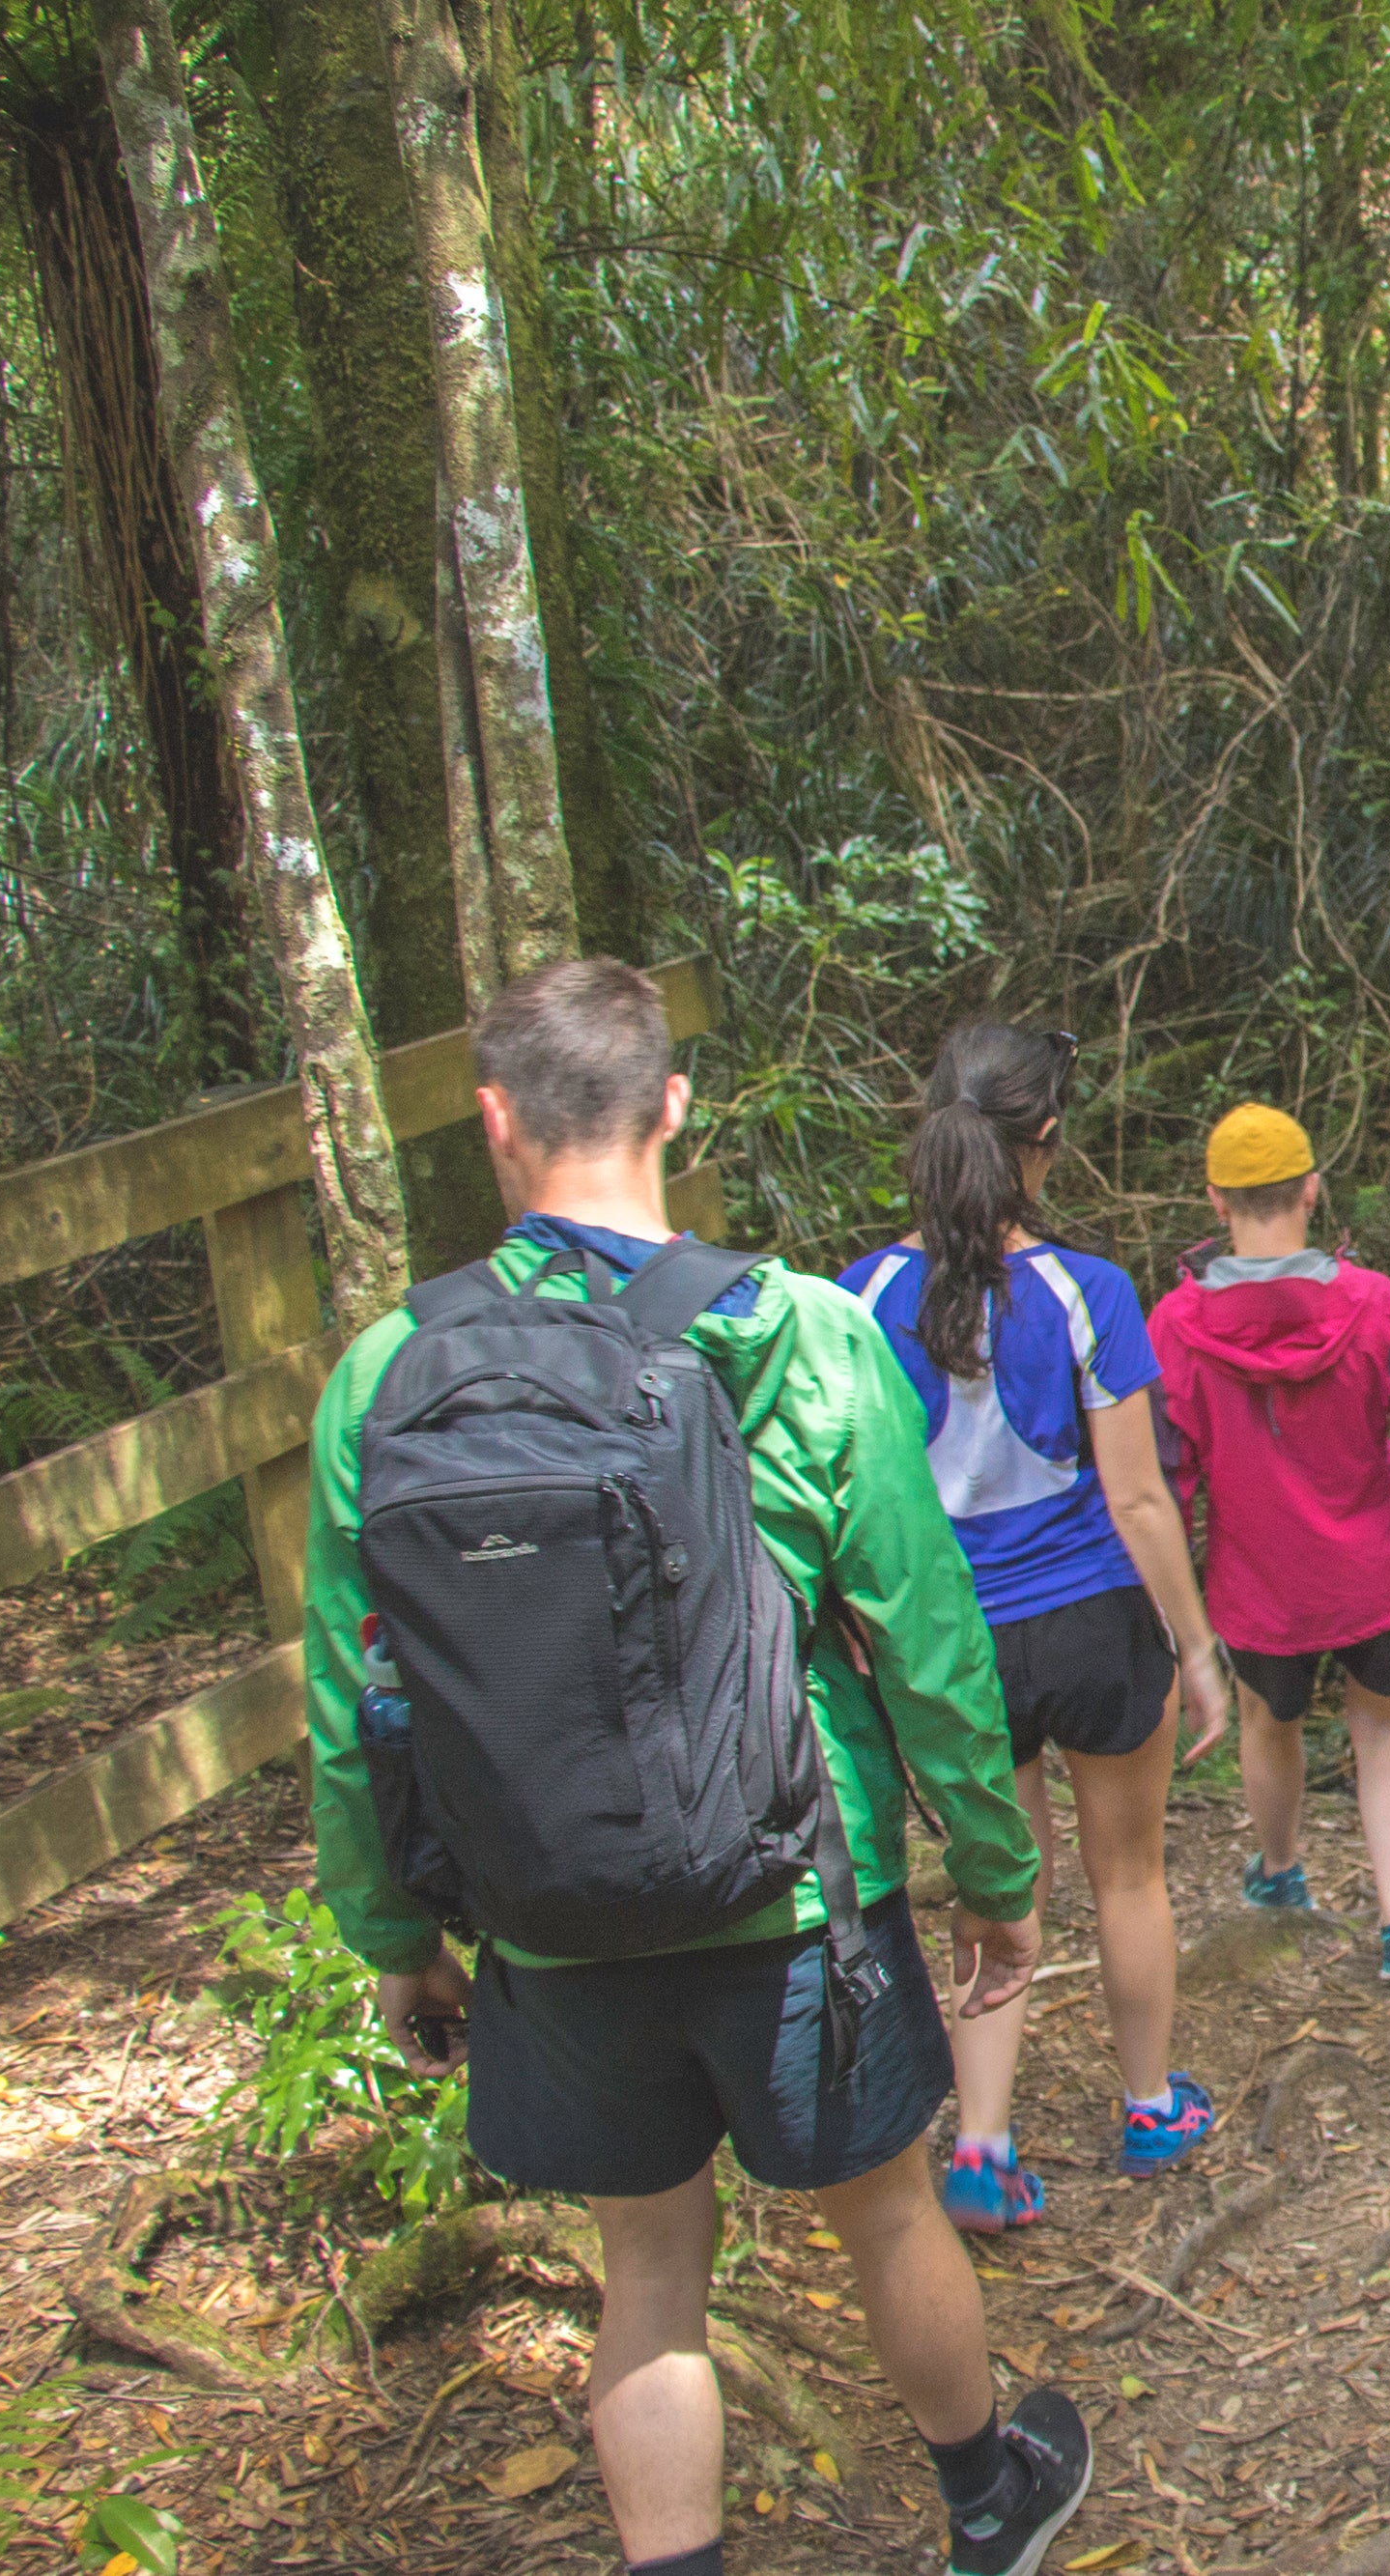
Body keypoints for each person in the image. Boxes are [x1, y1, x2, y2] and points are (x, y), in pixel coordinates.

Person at [302, 959, 1090, 2576]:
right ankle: (988, 2499)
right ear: (673, 1106)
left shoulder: (387, 1373)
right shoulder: (787, 1331)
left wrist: (396, 1937)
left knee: (646, 2272)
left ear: (495, 1121)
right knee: (883, 2209)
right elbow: (928, 1643)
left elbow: (350, 1703)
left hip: (545, 1914)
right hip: (794, 1884)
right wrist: (1000, 1880)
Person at [837, 1023, 1234, 2235]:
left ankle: (983, 2147)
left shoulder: (860, 1297)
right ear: (1042, 1142)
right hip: (1097, 1625)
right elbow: (1135, 1496)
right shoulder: (1088, 1291)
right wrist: (1200, 1648)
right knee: (1131, 1874)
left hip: (956, 1650)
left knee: (1000, 1885)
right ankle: (1150, 2102)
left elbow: (854, 1499)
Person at [1148, 1104, 1390, 1983]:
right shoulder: (1374, 1305)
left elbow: (1165, 1476)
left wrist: (1164, 1599)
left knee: (1269, 1721)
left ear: (1215, 1198)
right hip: (1377, 1570)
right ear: (1311, 1188)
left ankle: (1280, 1873)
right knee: (1385, 1733)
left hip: (1257, 1582)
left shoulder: (1177, 1327)